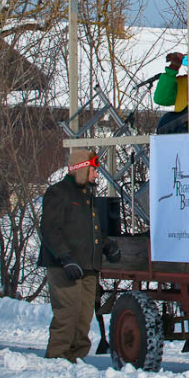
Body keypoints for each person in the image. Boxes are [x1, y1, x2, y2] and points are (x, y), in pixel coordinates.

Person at [38, 148, 120, 361]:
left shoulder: (87, 196)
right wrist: (65, 257)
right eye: (94, 170)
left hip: (88, 266)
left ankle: (75, 358)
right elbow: (49, 229)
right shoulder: (59, 193)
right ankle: (57, 358)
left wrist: (106, 244)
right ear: (82, 169)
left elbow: (89, 230)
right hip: (65, 267)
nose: (96, 175)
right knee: (68, 314)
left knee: (84, 316)